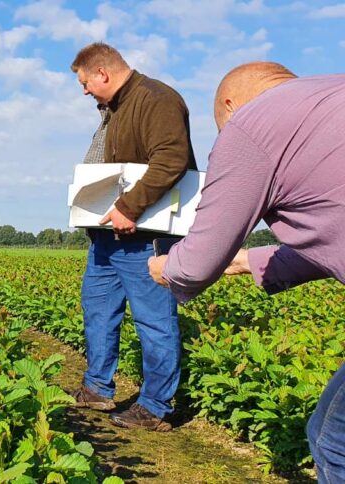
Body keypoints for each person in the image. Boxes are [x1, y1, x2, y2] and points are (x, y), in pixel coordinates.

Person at [150, 62, 345, 482]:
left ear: (229, 105)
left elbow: (197, 261)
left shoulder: (249, 124)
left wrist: (171, 267)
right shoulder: (332, 96)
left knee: (336, 444)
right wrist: (244, 261)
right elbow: (331, 237)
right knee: (329, 432)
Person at [68, 42, 196, 431]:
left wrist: (129, 206)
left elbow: (171, 159)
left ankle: (155, 407)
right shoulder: (116, 108)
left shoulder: (156, 99)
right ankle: (97, 388)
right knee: (98, 310)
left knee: (154, 321)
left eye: (85, 83)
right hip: (108, 238)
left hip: (144, 236)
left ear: (102, 73)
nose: (85, 91)